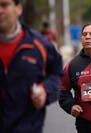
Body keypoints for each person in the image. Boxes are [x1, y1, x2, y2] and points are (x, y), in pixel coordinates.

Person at [0, 0, 63, 133]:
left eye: (4, 5)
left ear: (18, 9)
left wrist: (45, 90)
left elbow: (57, 74)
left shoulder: (40, 45)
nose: (0, 10)